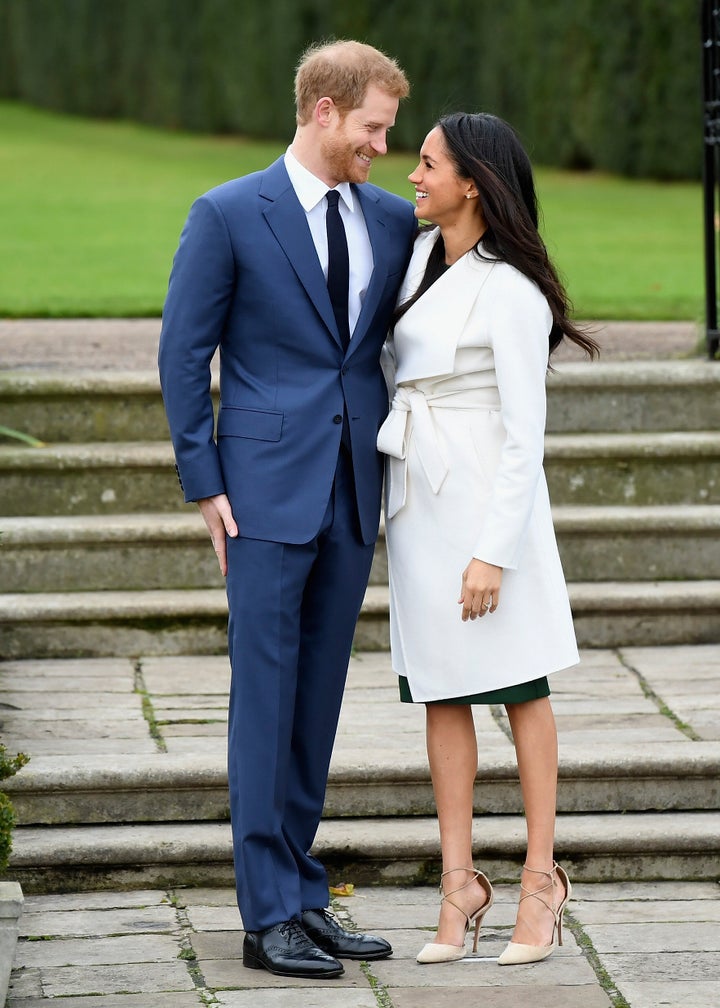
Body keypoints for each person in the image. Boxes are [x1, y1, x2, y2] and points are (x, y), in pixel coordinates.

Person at [158, 40, 417, 980]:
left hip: (353, 488)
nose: (382, 148)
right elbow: (183, 356)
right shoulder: (227, 214)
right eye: (373, 128)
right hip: (260, 494)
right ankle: (265, 914)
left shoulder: (391, 222)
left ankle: (304, 895)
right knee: (263, 699)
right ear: (323, 111)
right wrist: (205, 482)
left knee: (316, 701)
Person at [377, 112, 599, 966]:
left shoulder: (509, 288)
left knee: (519, 687)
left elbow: (523, 433)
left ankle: (541, 879)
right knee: (440, 690)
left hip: (483, 505)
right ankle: (459, 882)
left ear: (472, 180)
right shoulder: (414, 260)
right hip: (419, 502)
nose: (413, 177)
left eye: (427, 164)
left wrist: (493, 551)